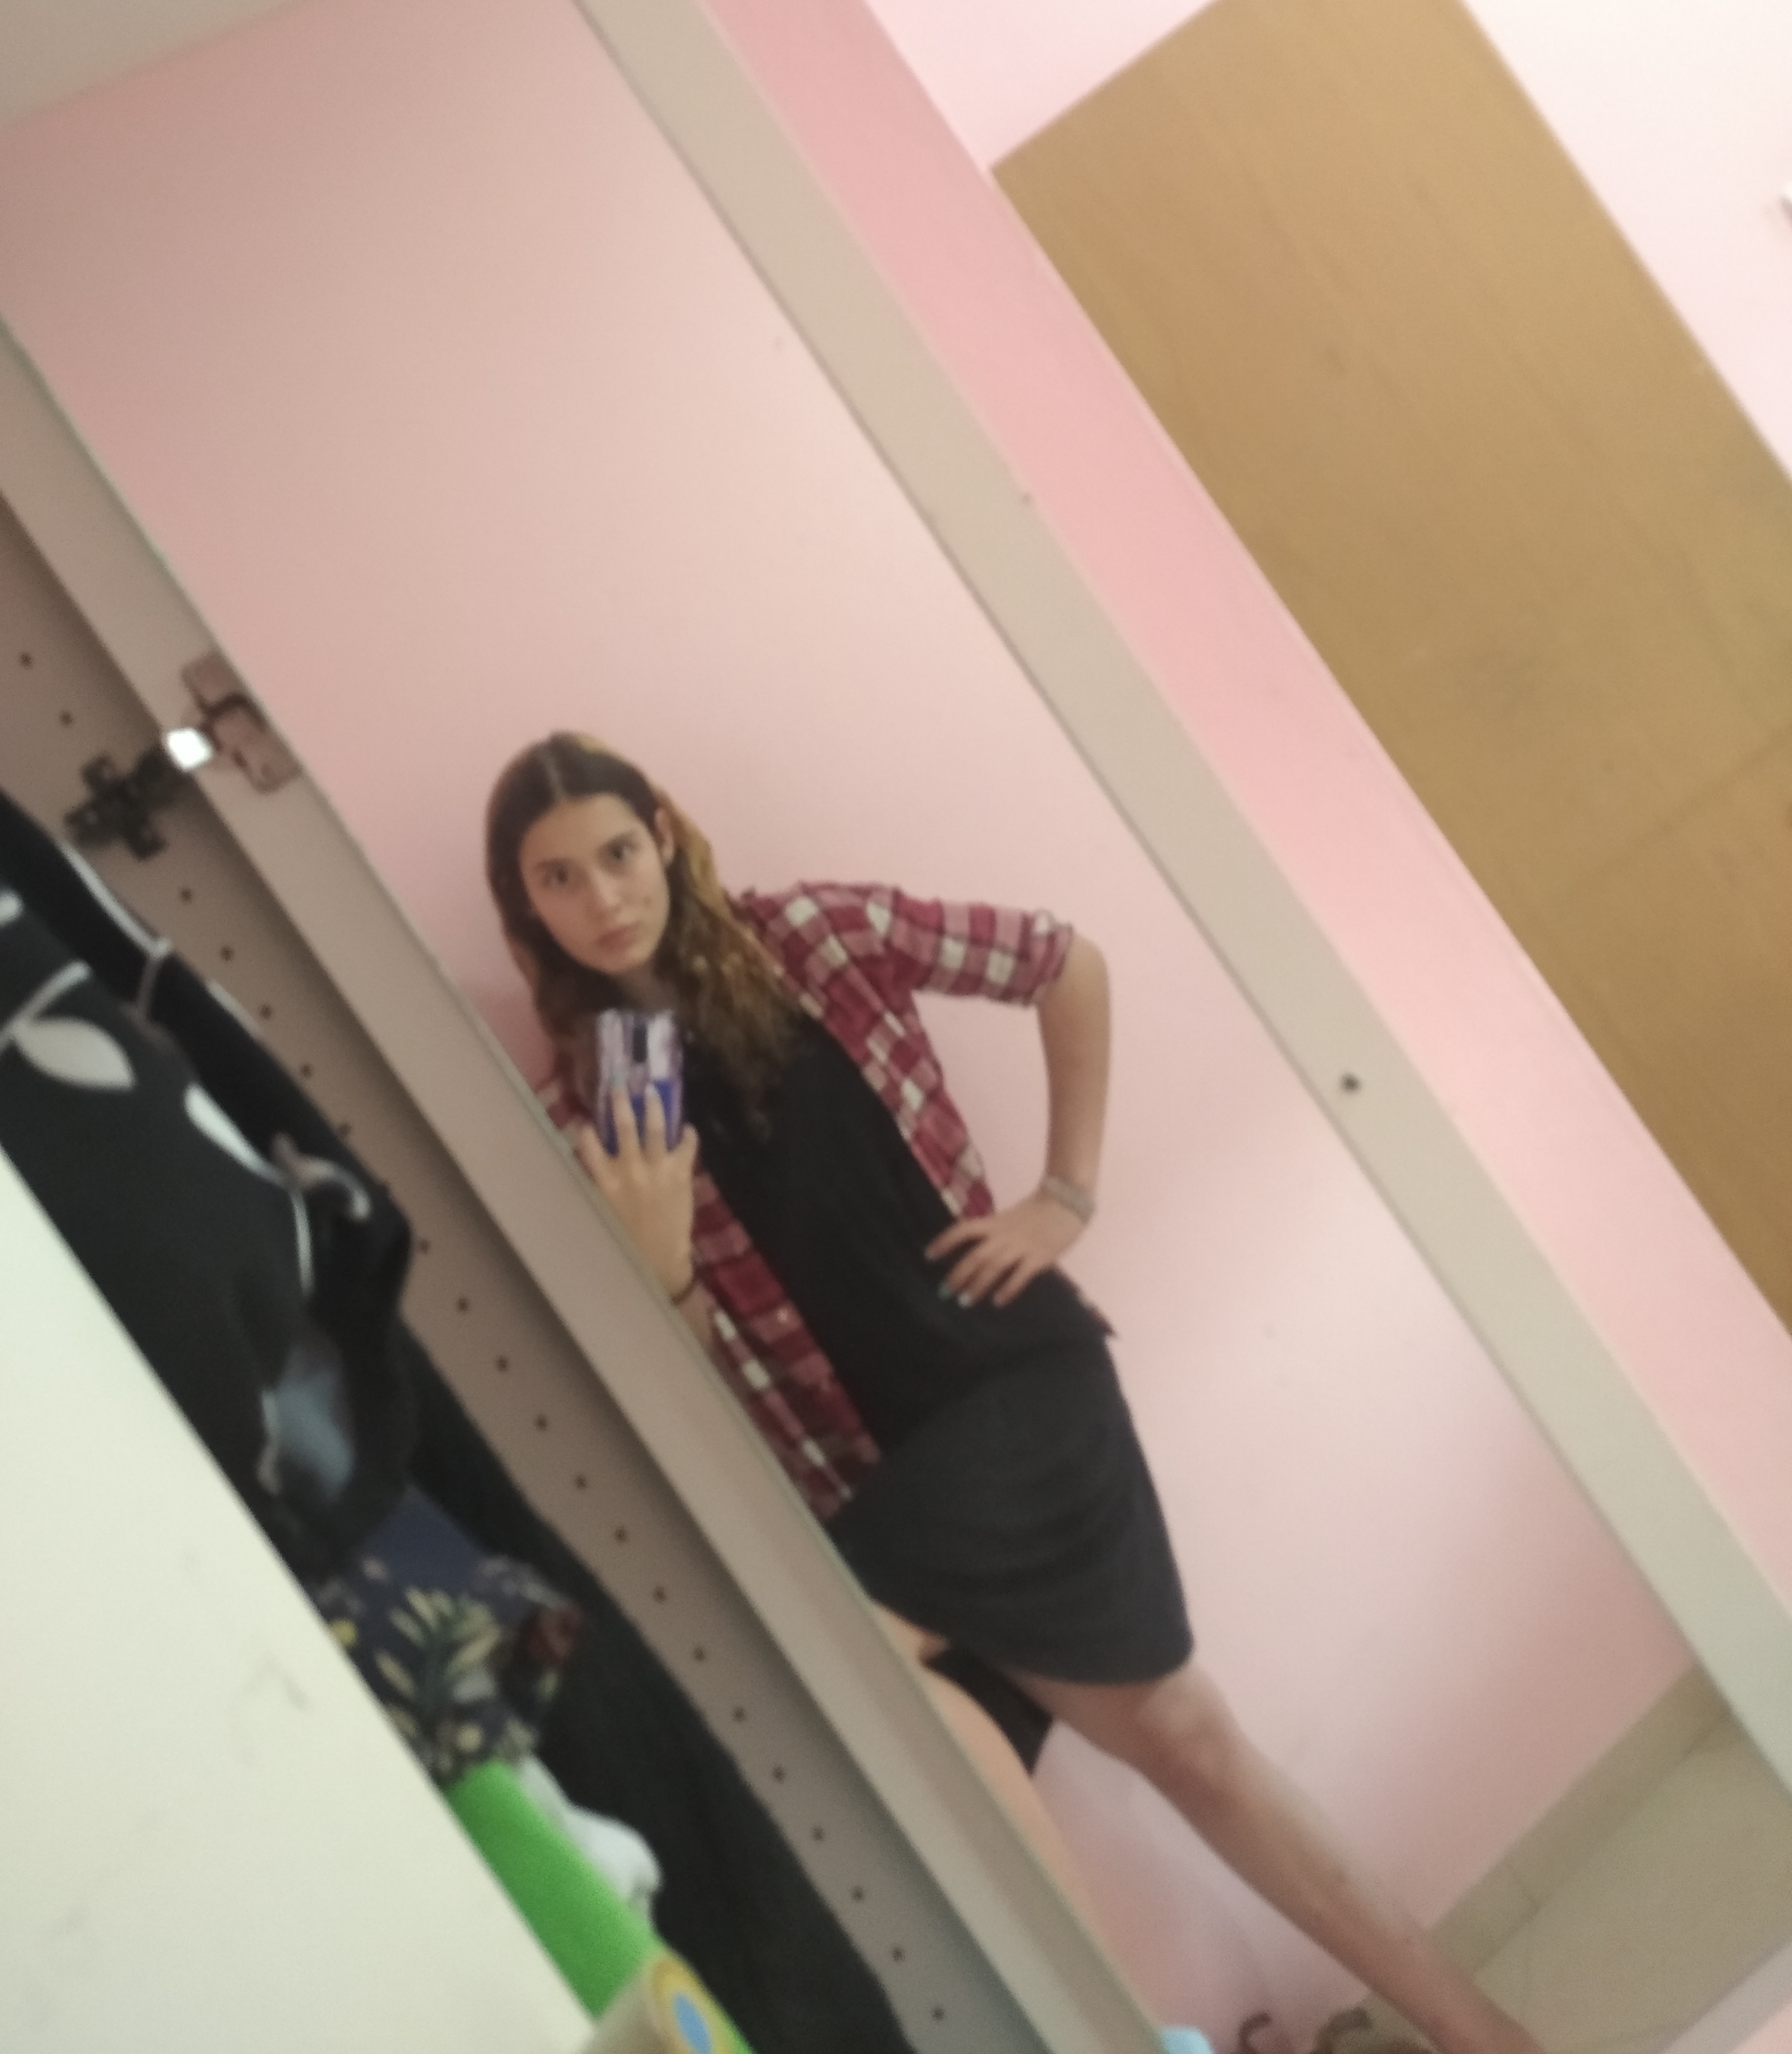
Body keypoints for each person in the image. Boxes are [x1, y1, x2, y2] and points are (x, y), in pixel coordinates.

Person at [485, 733, 1543, 2054]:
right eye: (559, 879)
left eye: (616, 853)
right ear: (527, 910)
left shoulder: (816, 936)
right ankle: (1473, 2037)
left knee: (850, 1664)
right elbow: (695, 1378)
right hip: (873, 1484)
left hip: (1009, 1386)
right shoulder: (585, 1111)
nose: (603, 898)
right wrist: (660, 1274)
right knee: (1181, 1743)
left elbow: (1061, 961)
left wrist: (1064, 1195)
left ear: (662, 833)